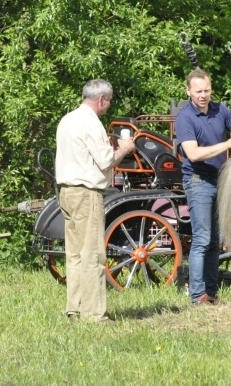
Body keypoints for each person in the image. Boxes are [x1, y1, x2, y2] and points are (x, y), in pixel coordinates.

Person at [55, 79, 135, 323]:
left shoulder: (67, 119)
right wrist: (125, 148)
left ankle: (75, 308)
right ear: (101, 99)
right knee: (93, 255)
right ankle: (94, 314)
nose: (108, 106)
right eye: (108, 101)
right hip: (86, 193)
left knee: (75, 254)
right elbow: (106, 161)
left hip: (66, 192)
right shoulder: (91, 123)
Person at [175, 68, 231, 305]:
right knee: (202, 239)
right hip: (198, 181)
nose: (203, 95)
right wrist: (227, 145)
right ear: (188, 92)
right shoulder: (184, 118)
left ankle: (211, 294)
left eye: (206, 90)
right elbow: (193, 154)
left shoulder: (220, 110)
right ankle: (197, 295)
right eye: (198, 91)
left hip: (220, 179)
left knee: (215, 241)